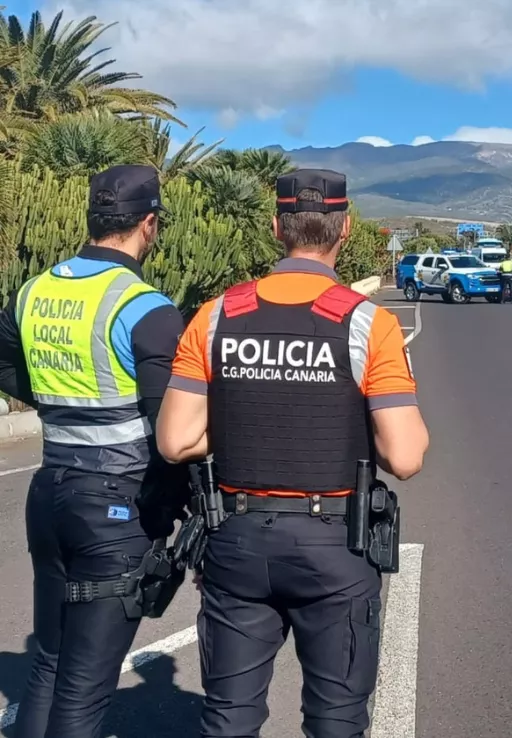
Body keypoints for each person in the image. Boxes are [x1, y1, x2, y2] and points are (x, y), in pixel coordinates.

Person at [155, 168, 430, 738]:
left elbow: (176, 440)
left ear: (276, 226)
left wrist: (241, 422)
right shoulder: (366, 323)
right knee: (336, 722)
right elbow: (404, 456)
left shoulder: (216, 315)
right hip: (334, 546)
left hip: (235, 540)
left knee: (229, 719)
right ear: (345, 229)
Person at [0, 165, 186, 738]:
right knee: (85, 690)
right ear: (148, 224)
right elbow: (170, 425)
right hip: (115, 504)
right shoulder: (145, 306)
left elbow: (8, 367)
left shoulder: (33, 290)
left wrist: (64, 404)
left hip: (49, 490)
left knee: (49, 667)